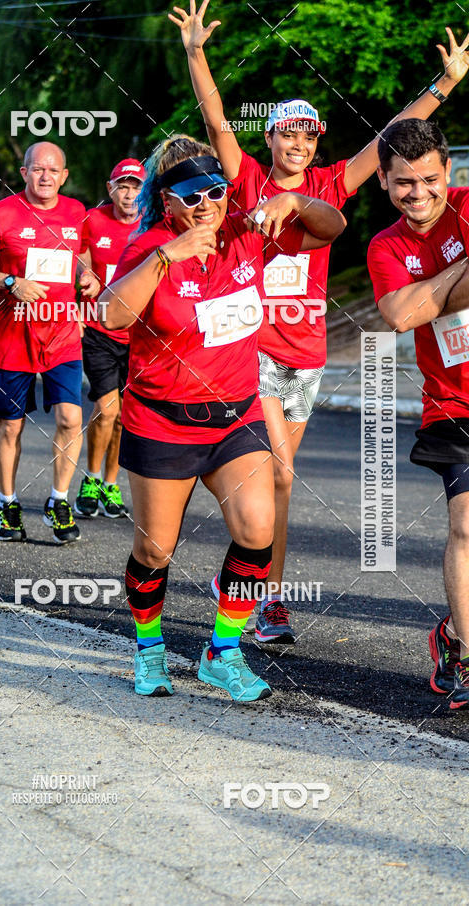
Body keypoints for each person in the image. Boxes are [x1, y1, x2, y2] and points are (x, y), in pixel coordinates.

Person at [170, 1, 469, 643]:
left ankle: (257, 589)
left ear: (316, 140)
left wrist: (444, 85)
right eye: (287, 132)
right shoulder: (246, 180)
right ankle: (260, 594)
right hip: (253, 350)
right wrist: (196, 53)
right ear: (271, 138)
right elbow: (218, 121)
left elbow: (392, 138)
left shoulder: (332, 186)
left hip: (305, 355)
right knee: (274, 471)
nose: (298, 142)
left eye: (308, 134)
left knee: (280, 483)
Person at [99, 135, 345, 699]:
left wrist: (297, 203)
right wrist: (169, 255)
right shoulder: (150, 248)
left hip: (236, 414)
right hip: (163, 420)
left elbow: (332, 229)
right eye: (192, 196)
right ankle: (149, 648)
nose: (206, 203)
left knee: (257, 531)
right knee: (155, 551)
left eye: (216, 191)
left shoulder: (245, 233)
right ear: (167, 201)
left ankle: (222, 651)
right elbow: (111, 313)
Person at [367, 119, 469, 710]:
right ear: (383, 180)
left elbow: (417, 302)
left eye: (430, 179)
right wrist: (458, 271)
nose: (419, 193)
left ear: (448, 172)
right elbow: (401, 316)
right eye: (404, 182)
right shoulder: (386, 247)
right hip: (454, 406)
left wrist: (429, 290)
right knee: (466, 526)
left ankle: (452, 633)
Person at [0, 141, 97, 544]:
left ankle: (58, 501)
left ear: (64, 176)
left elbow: (83, 255)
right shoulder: (1, 214)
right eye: (37, 169)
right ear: (25, 172)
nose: (45, 176)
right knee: (11, 426)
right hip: (14, 338)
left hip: (63, 336)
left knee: (71, 419)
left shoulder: (76, 212)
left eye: (53, 170)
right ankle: (8, 503)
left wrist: (89, 276)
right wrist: (10, 282)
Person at [74, 158, 146, 519]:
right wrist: (83, 283)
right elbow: (81, 266)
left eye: (136, 186)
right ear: (110, 188)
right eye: (124, 185)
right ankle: (91, 476)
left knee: (125, 417)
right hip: (100, 331)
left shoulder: (154, 224)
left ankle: (111, 483)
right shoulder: (92, 220)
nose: (129, 193)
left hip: (141, 337)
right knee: (107, 409)